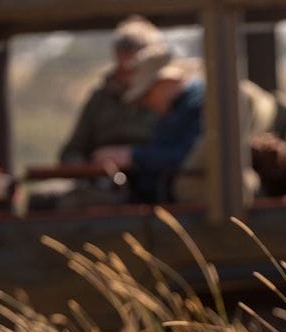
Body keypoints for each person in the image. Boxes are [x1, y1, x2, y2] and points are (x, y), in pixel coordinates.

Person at [92, 49, 204, 204]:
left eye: (147, 94)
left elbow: (189, 158)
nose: (146, 103)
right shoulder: (172, 111)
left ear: (167, 81)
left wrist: (131, 156)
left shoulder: (203, 104)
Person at [57, 16, 168, 164]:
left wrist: (134, 156)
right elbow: (72, 150)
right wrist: (90, 168)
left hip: (154, 179)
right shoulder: (100, 99)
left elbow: (178, 151)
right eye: (123, 52)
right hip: (103, 182)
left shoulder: (167, 95)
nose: (129, 73)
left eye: (136, 66)